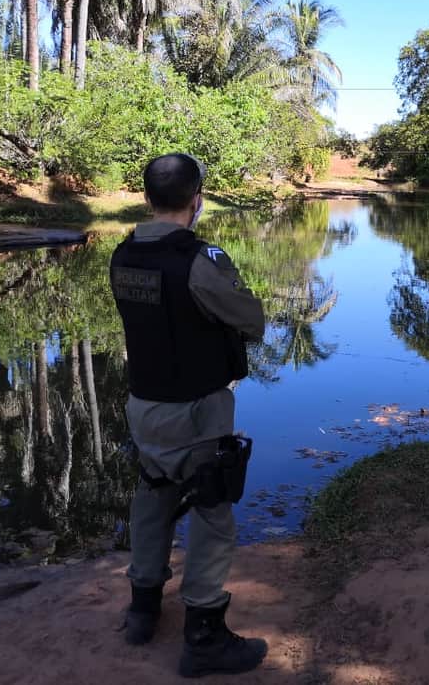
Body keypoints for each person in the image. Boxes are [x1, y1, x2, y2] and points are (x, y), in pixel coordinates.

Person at [109, 153, 267, 677]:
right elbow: (251, 319)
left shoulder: (122, 255)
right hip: (197, 408)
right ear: (196, 199)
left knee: (153, 493)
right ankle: (204, 634)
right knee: (212, 510)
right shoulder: (202, 261)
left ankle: (143, 607)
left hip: (143, 404)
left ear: (147, 197)